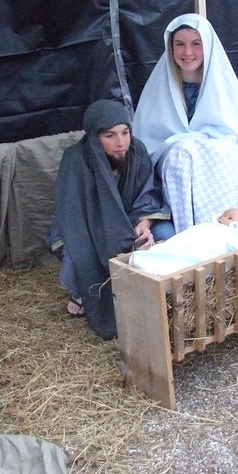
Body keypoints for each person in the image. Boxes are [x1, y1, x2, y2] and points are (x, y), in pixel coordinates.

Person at [45, 99, 171, 339]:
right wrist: (114, 236)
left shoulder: (137, 151)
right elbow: (74, 214)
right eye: (110, 135)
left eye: (125, 133)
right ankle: (83, 290)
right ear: (95, 137)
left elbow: (148, 194)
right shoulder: (76, 160)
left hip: (128, 222)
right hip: (87, 228)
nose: (120, 142)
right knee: (82, 256)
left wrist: (143, 225)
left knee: (165, 234)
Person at [133, 13, 238, 233]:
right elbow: (149, 141)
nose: (188, 53)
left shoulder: (222, 85)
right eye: (180, 44)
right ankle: (193, 234)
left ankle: (228, 231)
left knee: (228, 153)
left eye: (196, 44)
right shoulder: (159, 87)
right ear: (171, 47)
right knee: (183, 156)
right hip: (177, 167)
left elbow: (237, 134)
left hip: (216, 162)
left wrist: (203, 143)